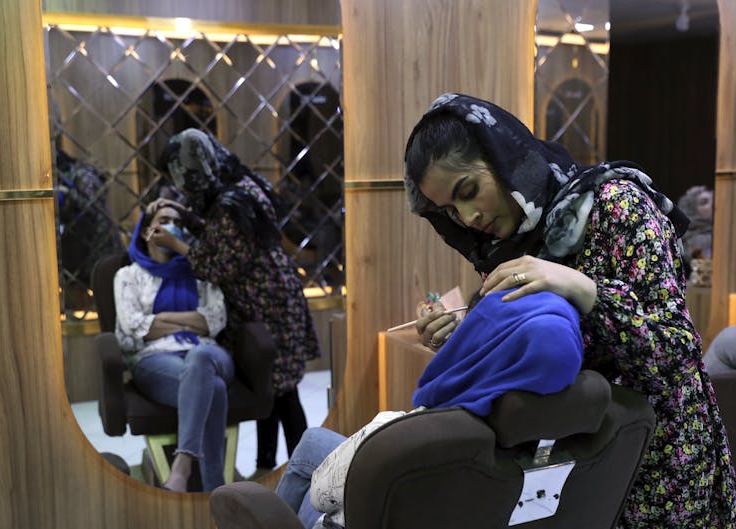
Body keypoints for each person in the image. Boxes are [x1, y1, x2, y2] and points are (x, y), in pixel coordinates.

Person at [403, 93, 736, 527]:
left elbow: (676, 351)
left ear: (505, 158)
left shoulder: (618, 206)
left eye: (468, 191)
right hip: (570, 469)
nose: (466, 217)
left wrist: (583, 288)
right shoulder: (509, 248)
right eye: (449, 210)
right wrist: (458, 335)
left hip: (658, 462)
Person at [273, 286, 585, 529]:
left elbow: (321, 493)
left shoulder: (402, 432)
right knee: (315, 440)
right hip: (464, 502)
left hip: (368, 512)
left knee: (311, 453)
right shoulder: (557, 430)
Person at [148, 128, 321, 478]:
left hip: (268, 302)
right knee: (271, 388)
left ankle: (309, 470)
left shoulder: (232, 202)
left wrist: (179, 245)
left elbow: (221, 265)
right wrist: (183, 214)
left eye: (180, 176)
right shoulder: (236, 185)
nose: (180, 185)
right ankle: (267, 466)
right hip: (270, 295)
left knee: (283, 393)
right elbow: (218, 234)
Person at [114, 205, 232, 492]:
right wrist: (193, 322)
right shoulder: (128, 276)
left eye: (177, 222)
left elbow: (215, 320)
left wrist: (160, 321)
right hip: (155, 358)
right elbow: (131, 326)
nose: (171, 226)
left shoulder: (200, 273)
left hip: (207, 351)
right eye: (163, 220)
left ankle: (183, 465)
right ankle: (217, 490)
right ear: (146, 231)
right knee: (212, 388)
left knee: (200, 356)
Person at [677, 185, 714, 275]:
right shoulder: (680, 238)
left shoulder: (726, 231)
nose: (712, 204)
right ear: (690, 210)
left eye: (714, 199)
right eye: (704, 202)